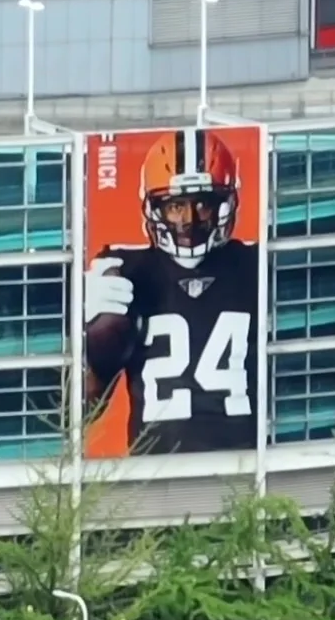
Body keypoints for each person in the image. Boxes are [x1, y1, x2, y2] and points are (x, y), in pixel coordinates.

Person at [81, 128, 260, 453]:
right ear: (155, 208)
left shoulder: (256, 265)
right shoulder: (123, 272)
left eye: (203, 204)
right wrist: (93, 348)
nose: (188, 220)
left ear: (225, 202)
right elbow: (78, 412)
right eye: (176, 205)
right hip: (155, 478)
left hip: (247, 467)